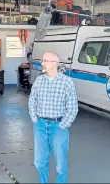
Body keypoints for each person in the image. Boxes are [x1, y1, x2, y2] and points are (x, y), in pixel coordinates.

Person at [29, 51, 79, 183]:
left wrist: (63, 125)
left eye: (45, 60)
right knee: (39, 161)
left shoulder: (67, 82)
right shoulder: (39, 80)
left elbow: (73, 108)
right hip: (40, 124)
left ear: (55, 63)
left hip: (58, 126)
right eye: (43, 60)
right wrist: (34, 118)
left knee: (60, 164)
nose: (42, 63)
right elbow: (32, 100)